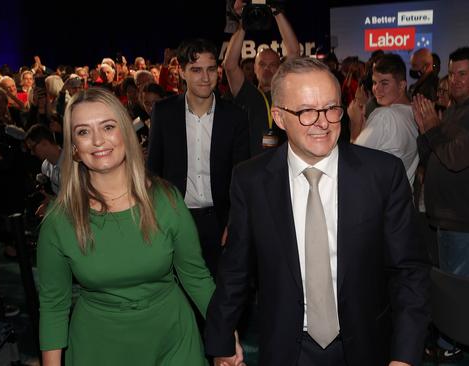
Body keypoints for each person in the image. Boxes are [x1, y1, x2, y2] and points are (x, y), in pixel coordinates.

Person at [205, 57, 430, 366]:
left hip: (368, 345)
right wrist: (221, 337)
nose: (323, 122)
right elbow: (235, 270)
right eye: (307, 111)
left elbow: (409, 272)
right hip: (287, 348)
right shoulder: (251, 180)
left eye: (331, 108)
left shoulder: (381, 175)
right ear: (280, 118)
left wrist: (404, 357)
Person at [37, 88, 217, 365]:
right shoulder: (60, 219)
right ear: (73, 146)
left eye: (108, 127)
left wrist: (227, 336)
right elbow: (53, 305)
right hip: (98, 346)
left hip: (174, 339)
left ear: (125, 133)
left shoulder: (166, 200)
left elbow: (196, 276)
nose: (98, 140)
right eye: (83, 132)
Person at [413, 47, 469, 359]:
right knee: (450, 288)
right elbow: (432, 155)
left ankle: (450, 347)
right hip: (449, 217)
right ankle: (449, 340)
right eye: (452, 73)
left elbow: (453, 159)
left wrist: (431, 129)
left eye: (463, 74)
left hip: (468, 218)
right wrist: (428, 131)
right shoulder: (455, 109)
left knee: (456, 290)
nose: (456, 80)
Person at [146, 38, 249, 278]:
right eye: (196, 70)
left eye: (211, 69)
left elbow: (241, 174)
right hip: (176, 218)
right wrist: (160, 219)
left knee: (220, 296)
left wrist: (234, 222)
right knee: (180, 292)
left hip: (220, 222)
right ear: (182, 72)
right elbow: (153, 171)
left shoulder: (235, 117)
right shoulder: (164, 112)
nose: (205, 77)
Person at [222, 0, 300, 155]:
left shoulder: (285, 89)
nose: (267, 69)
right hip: (250, 165)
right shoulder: (246, 92)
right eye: (262, 64)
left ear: (280, 67)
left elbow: (294, 53)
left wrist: (277, 12)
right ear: (254, 68)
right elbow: (229, 65)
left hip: (282, 165)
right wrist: (244, 23)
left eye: (272, 65)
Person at [354, 53, 419, 188]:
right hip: (403, 201)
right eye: (374, 82)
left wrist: (356, 122)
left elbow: (353, 160)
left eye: (384, 83)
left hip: (382, 203)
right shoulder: (416, 112)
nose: (377, 88)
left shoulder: (384, 116)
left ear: (401, 86)